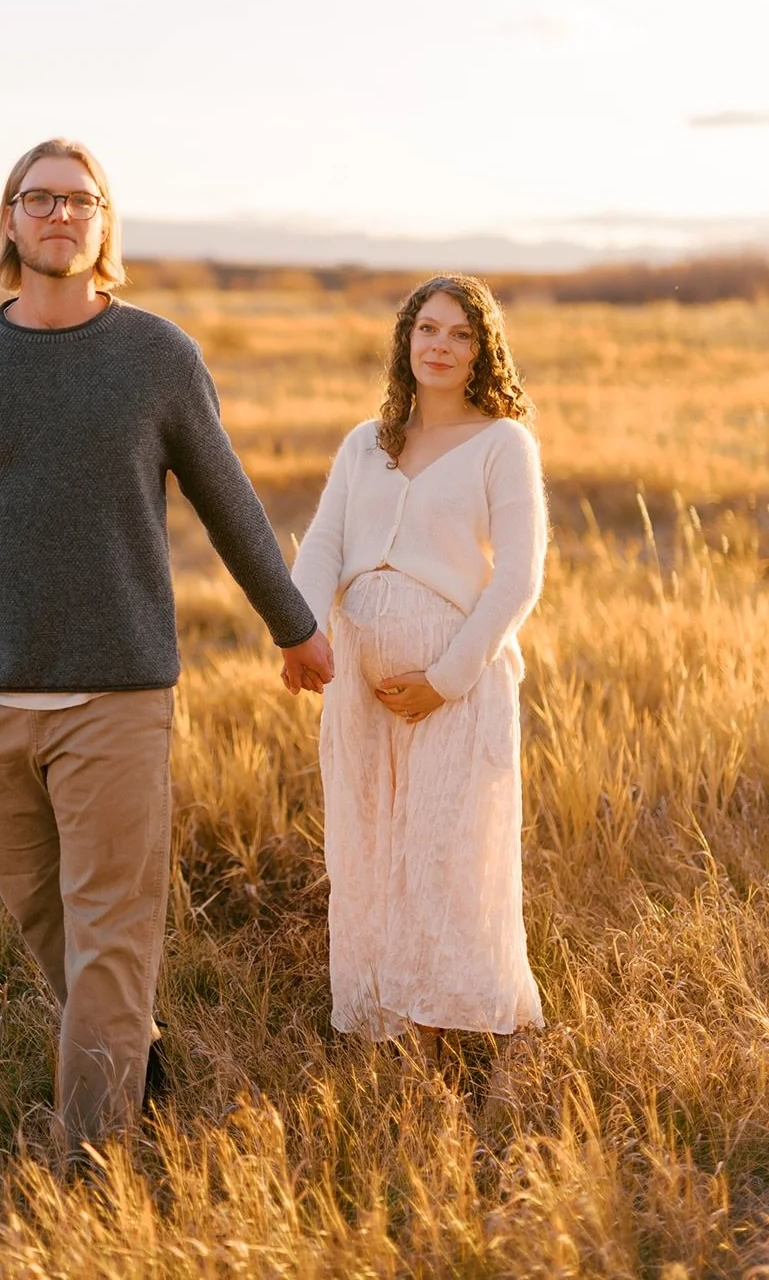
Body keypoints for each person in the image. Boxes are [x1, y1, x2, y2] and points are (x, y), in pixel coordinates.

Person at [0, 137, 333, 1162]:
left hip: (117, 698)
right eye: (36, 198)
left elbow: (231, 507)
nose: (57, 214)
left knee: (109, 939)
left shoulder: (157, 357)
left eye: (78, 199)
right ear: (8, 222)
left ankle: (88, 1173)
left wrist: (296, 626)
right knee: (57, 933)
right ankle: (138, 1061)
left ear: (104, 225)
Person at [291, 273, 546, 1057]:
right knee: (369, 846)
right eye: (428, 329)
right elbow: (325, 545)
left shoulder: (502, 443)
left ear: (482, 351)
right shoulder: (365, 444)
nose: (440, 345)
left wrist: (445, 677)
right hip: (361, 682)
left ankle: (458, 1027)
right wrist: (297, 632)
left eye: (460, 334)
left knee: (442, 850)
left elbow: (517, 575)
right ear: (406, 339)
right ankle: (385, 1025)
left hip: (454, 683)